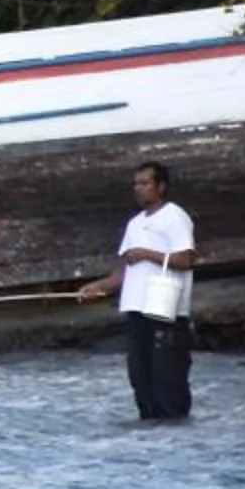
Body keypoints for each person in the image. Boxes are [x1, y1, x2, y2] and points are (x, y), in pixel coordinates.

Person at [78, 161, 202, 421]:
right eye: (136, 184)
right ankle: (149, 439)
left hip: (165, 310)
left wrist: (147, 253)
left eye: (145, 183)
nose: (139, 189)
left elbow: (186, 259)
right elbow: (128, 270)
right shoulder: (134, 224)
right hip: (136, 309)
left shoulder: (175, 217)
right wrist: (98, 286)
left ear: (161, 186)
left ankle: (177, 435)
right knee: (140, 378)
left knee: (167, 378)